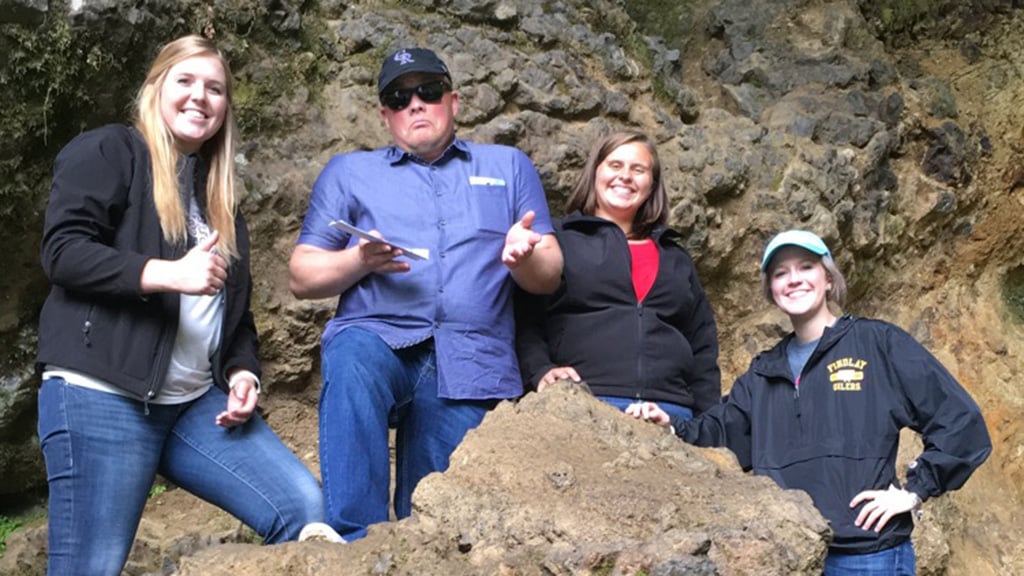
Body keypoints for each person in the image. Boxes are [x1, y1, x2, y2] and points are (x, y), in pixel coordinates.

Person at [35, 35, 338, 575]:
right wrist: (166, 274)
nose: (201, 96)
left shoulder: (219, 199)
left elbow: (234, 319)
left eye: (215, 88)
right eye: (187, 81)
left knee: (301, 509)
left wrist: (244, 372)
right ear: (156, 88)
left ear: (225, 108)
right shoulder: (110, 150)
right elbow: (62, 252)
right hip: (102, 395)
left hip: (194, 404)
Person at [288, 47, 563, 541]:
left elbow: (549, 277)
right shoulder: (349, 172)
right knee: (350, 357)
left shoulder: (509, 165)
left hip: (471, 357)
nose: (415, 104)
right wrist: (357, 261)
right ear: (385, 115)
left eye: (428, 91)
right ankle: (352, 542)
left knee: (437, 530)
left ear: (453, 101)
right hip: (378, 338)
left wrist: (526, 257)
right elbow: (302, 276)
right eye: (398, 97)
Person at [638, 229, 992, 575]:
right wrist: (669, 427)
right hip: (790, 555)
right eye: (780, 273)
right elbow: (720, 433)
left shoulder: (877, 343)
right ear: (771, 291)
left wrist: (913, 492)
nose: (793, 279)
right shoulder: (764, 372)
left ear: (828, 279)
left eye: (805, 267)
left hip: (869, 557)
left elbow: (960, 421)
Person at [515, 131, 721, 422]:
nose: (625, 176)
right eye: (615, 165)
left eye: (638, 169)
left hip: (670, 410)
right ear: (595, 172)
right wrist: (539, 370)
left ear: (652, 185)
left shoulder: (676, 257)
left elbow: (702, 343)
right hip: (585, 404)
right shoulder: (558, 239)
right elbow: (525, 317)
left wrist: (708, 421)